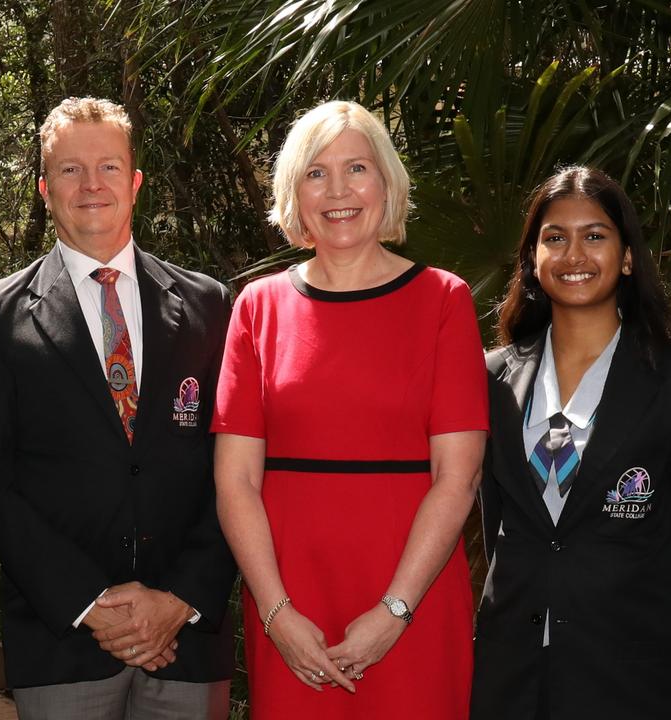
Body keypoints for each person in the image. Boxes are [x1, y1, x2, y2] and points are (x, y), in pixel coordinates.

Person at [0, 97, 236, 720]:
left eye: (108, 167)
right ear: (44, 189)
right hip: (62, 643)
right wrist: (91, 604)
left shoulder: (210, 304)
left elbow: (237, 468)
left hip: (187, 640)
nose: (91, 185)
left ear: (135, 183)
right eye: (69, 170)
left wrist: (181, 599)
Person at [211, 100, 486, 719]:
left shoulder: (444, 300)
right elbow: (235, 481)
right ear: (293, 193)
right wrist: (277, 612)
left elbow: (458, 476)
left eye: (356, 168)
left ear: (386, 183)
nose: (337, 190)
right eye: (315, 173)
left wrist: (394, 611)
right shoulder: (256, 308)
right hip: (288, 602)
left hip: (413, 599)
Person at [472, 166, 671, 719]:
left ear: (627, 257)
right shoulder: (488, 379)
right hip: (511, 678)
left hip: (637, 683)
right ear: (531, 260)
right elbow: (498, 530)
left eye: (595, 236)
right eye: (554, 238)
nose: (574, 255)